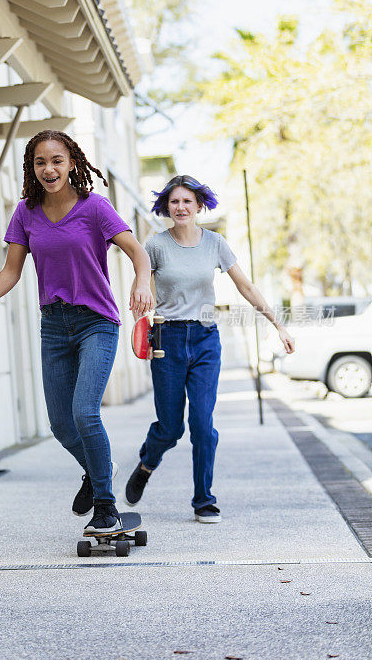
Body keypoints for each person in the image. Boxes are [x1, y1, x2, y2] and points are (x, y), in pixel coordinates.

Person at [0, 130, 153, 535]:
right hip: (53, 325)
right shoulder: (26, 213)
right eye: (39, 162)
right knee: (60, 424)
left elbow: (138, 252)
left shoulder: (95, 208)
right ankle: (98, 468)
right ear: (31, 169)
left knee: (85, 411)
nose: (48, 169)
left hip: (96, 322)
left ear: (72, 163)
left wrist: (142, 283)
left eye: (56, 160)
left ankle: (106, 507)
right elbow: (12, 269)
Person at [124, 175, 295, 522]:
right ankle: (147, 463)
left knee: (202, 424)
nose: (181, 207)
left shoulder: (215, 243)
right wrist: (139, 321)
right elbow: (141, 289)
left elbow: (245, 286)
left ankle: (204, 499)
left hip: (205, 340)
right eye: (174, 202)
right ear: (165, 207)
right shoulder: (154, 245)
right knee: (171, 428)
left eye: (188, 201)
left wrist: (278, 324)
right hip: (167, 341)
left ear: (199, 205)